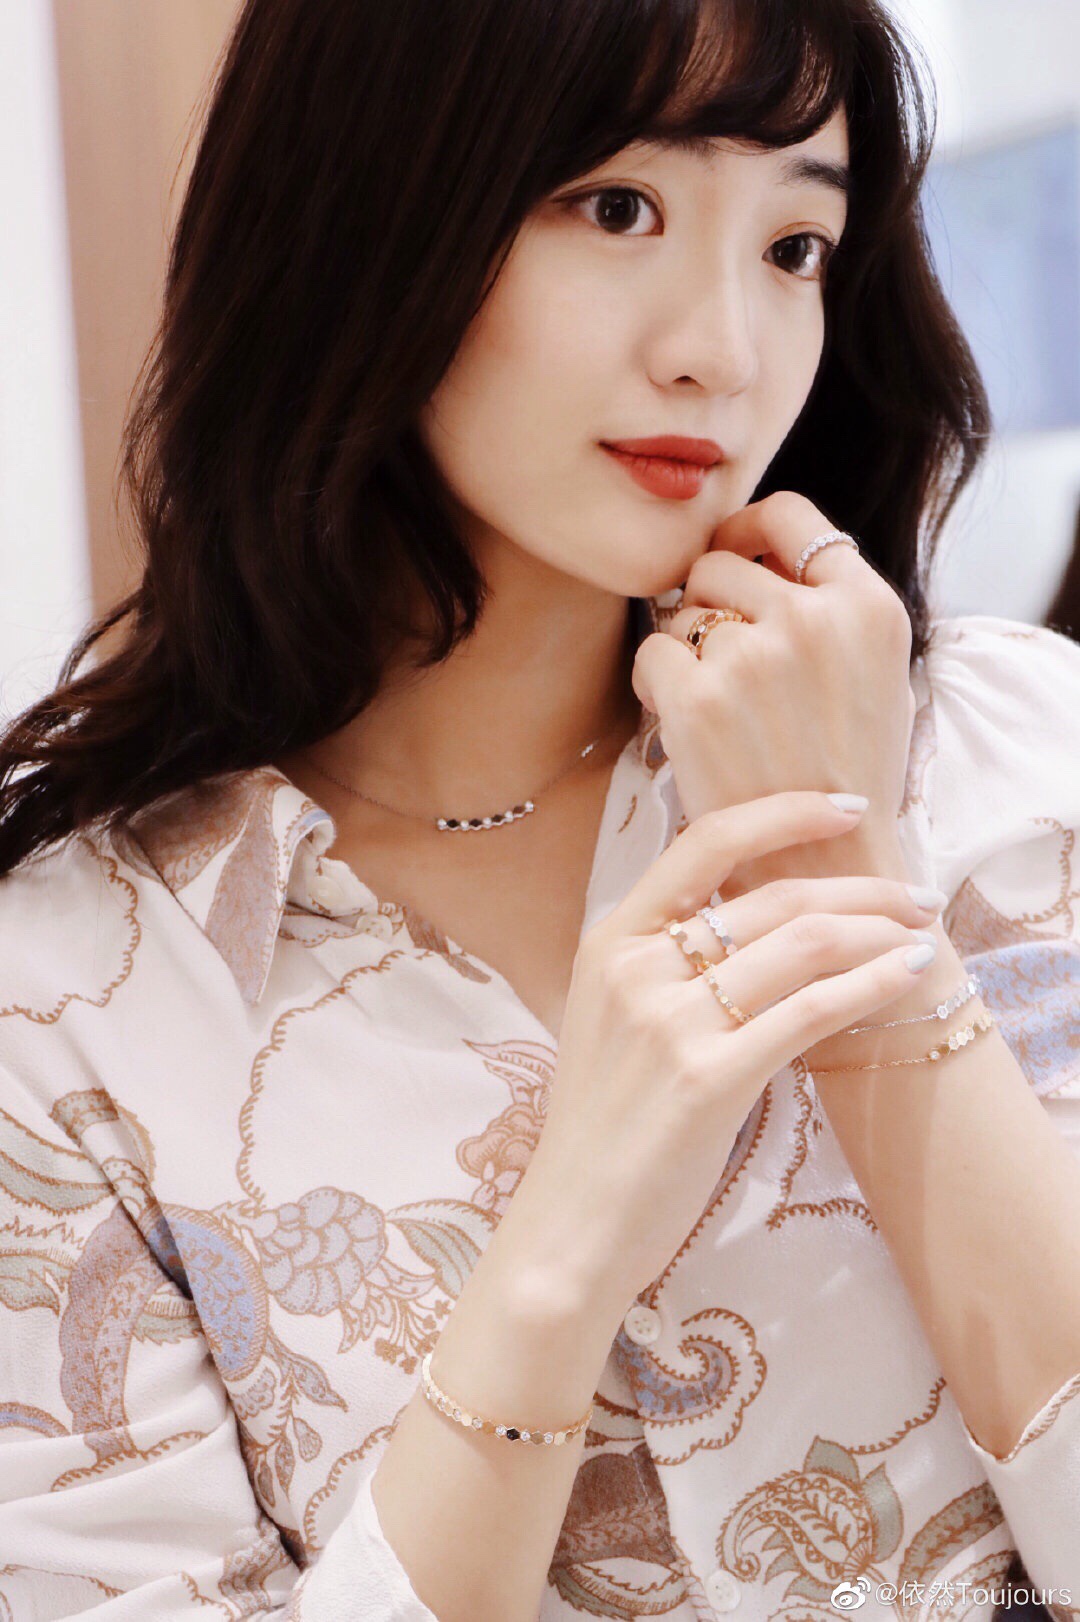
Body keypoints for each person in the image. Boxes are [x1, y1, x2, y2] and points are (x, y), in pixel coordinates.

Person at [1, 0, 1078, 1616]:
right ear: (366, 207)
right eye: (618, 207)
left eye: (794, 244)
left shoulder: (1022, 754)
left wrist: (856, 908)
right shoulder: (69, 1000)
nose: (723, 348)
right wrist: (565, 1242)